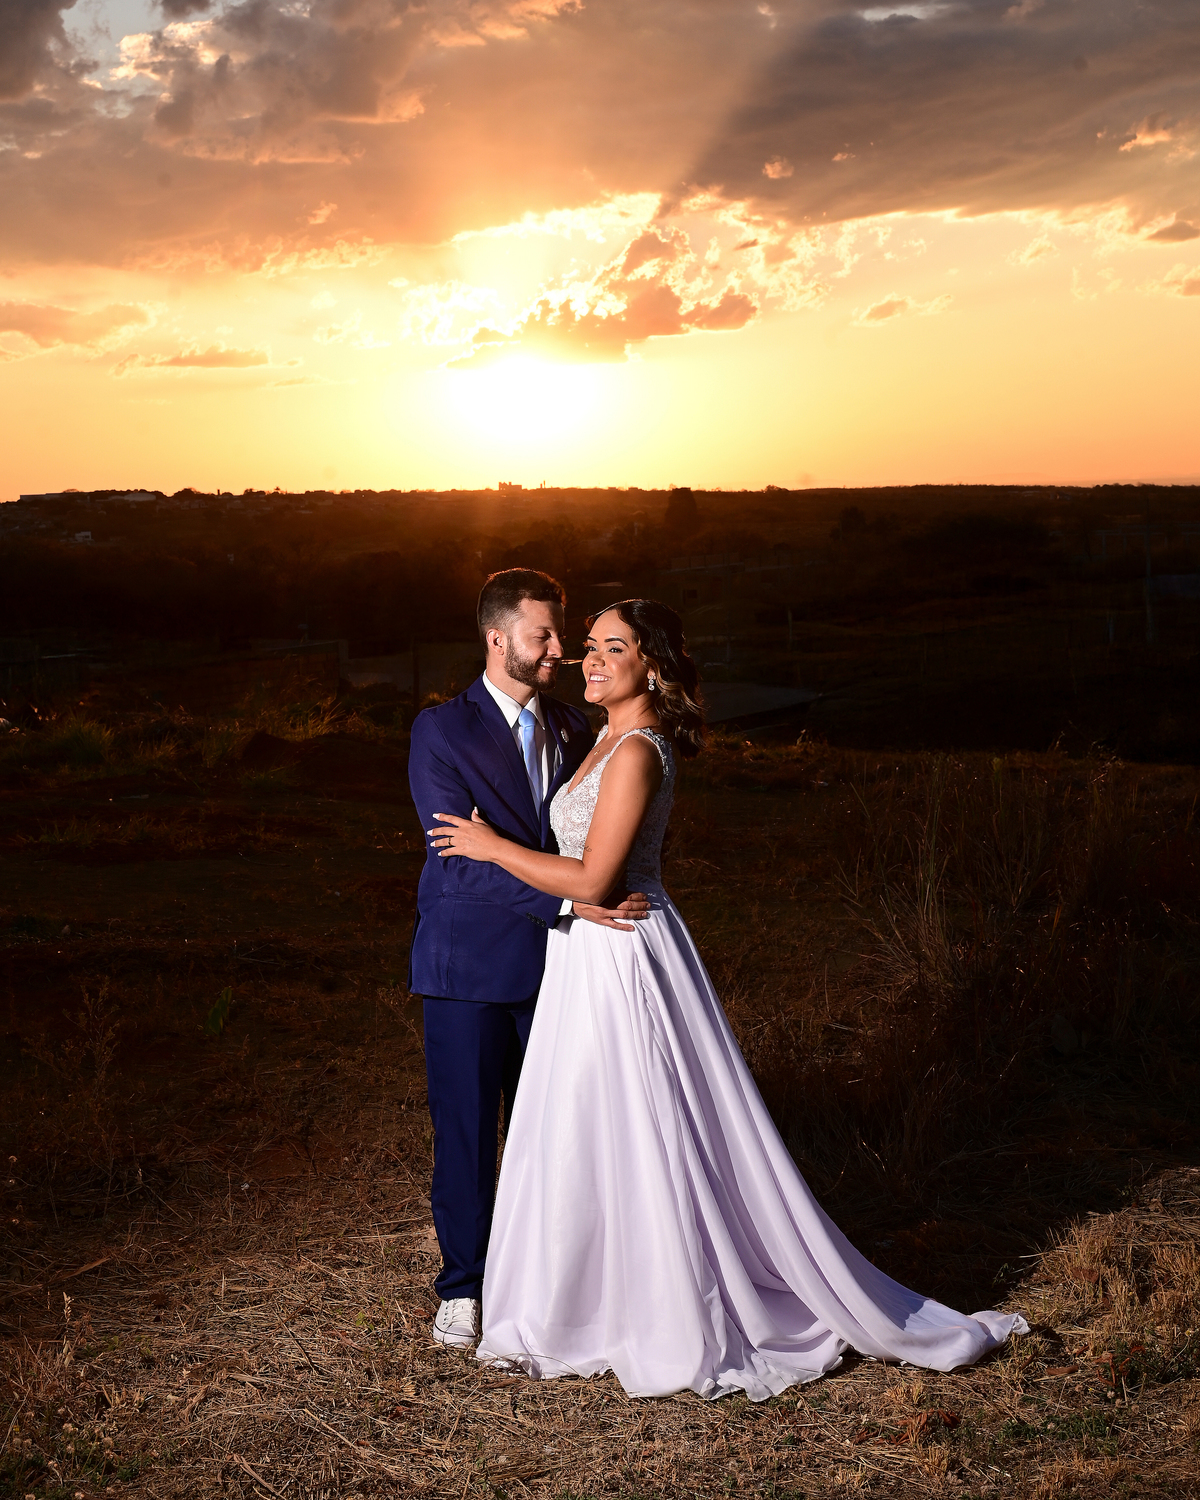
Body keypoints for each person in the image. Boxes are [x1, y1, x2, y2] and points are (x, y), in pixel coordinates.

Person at [426, 598, 1028, 1400]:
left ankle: (662, 1302)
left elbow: (598, 878)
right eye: (586, 645)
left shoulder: (636, 748)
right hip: (581, 955)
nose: (586, 658)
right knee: (582, 1123)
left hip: (623, 953)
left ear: (654, 666)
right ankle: (576, 1292)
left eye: (612, 647)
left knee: (647, 1123)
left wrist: (492, 845)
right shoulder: (591, 733)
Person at [407, 569, 651, 1351]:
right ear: (497, 638)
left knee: (559, 1132)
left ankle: (554, 1281)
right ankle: (464, 1288)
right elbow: (459, 861)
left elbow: (589, 837)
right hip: (468, 969)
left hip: (566, 971)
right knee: (470, 1135)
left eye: (562, 636)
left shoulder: (578, 731)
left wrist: (590, 892)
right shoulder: (440, 731)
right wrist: (569, 900)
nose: (558, 652)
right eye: (543, 636)